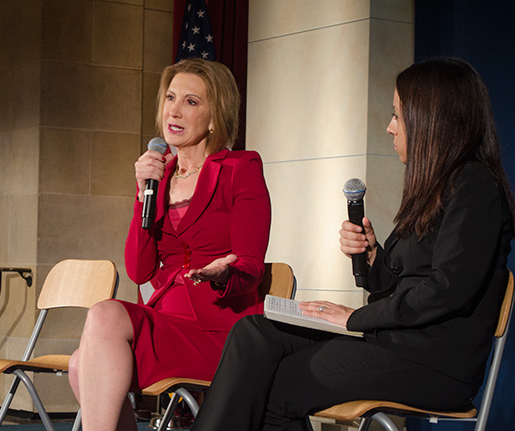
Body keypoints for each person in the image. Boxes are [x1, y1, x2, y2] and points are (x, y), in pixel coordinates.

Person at [190, 57, 515, 431]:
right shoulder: (435, 189)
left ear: (431, 121)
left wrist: (352, 317)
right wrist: (374, 257)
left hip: (434, 365)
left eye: (398, 116)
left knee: (279, 386)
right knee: (255, 331)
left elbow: (446, 291)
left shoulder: (475, 187)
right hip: (394, 344)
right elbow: (398, 285)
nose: (390, 128)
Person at [67, 58, 272, 431]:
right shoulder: (157, 176)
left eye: (191, 102)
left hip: (220, 330)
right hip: (166, 320)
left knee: (104, 315)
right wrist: (142, 191)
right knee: (80, 364)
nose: (174, 111)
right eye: (171, 98)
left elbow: (252, 267)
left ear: (215, 116)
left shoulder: (240, 169)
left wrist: (222, 272)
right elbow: (140, 269)